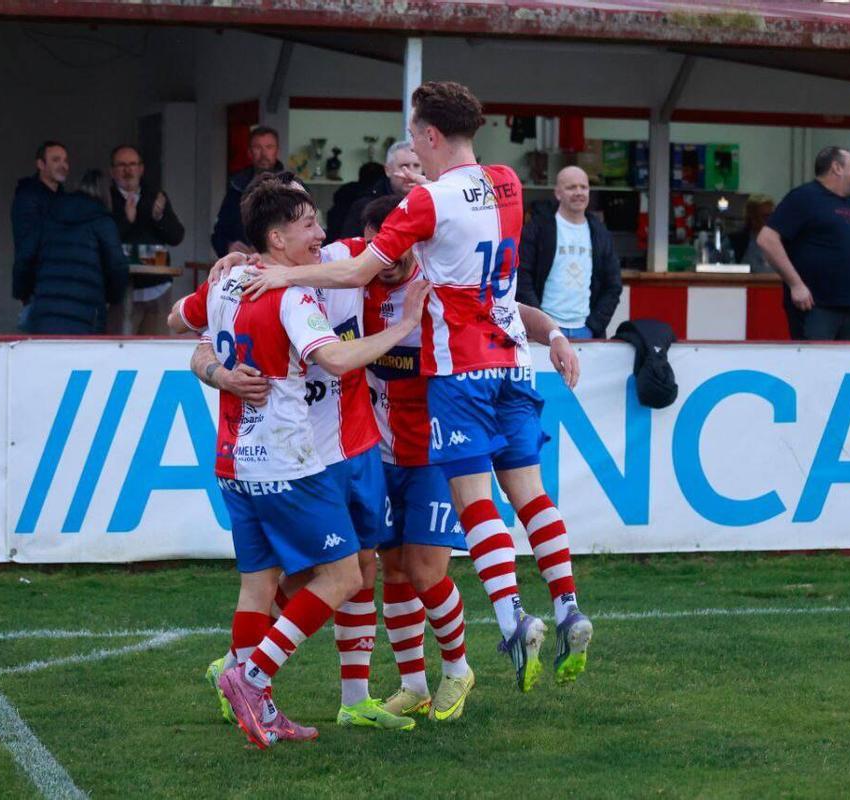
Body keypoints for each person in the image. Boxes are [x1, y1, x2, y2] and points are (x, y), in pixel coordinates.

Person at [243, 81, 592, 693]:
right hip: (513, 359)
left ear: (431, 136)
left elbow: (355, 268)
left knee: (475, 501)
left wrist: (282, 276)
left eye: (413, 139)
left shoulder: (429, 201)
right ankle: (567, 605)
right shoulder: (508, 182)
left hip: (460, 368)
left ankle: (511, 619)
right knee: (532, 496)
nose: (412, 155)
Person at [192, 179, 431, 749]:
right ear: (277, 237)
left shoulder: (239, 277)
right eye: (307, 223)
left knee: (278, 581)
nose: (321, 234)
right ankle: (248, 677)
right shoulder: (286, 291)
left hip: (258, 458)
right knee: (343, 576)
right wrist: (402, 327)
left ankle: (296, 700)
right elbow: (334, 356)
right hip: (294, 458)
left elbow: (188, 324)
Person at [756, 146, 850, 341]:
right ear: (837, 168)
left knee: (845, 367)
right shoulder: (805, 197)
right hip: (816, 307)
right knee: (816, 367)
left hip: (849, 307)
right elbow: (767, 239)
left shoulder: (846, 202)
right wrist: (796, 284)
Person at [13, 169, 128, 334]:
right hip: (87, 316)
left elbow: (25, 257)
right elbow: (117, 266)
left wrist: (23, 293)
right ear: (105, 193)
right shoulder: (102, 221)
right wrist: (112, 297)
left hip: (45, 312)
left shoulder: (50, 214)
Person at [516, 165, 621, 338]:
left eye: (583, 187)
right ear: (558, 193)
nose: (579, 192)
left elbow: (613, 285)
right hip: (546, 331)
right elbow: (523, 278)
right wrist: (540, 324)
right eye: (571, 187)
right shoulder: (537, 229)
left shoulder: (601, 233)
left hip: (586, 331)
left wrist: (594, 326)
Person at [107, 145, 186, 335]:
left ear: (141, 169)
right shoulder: (106, 198)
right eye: (122, 165)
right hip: (120, 288)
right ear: (112, 171)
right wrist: (127, 219)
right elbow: (104, 239)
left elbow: (176, 236)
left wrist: (160, 217)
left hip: (156, 287)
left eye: (133, 164)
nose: (128, 170)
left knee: (154, 350)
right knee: (119, 348)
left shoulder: (155, 196)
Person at [11, 141, 68, 319]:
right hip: (39, 285)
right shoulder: (27, 198)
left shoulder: (63, 198)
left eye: (65, 160)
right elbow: (27, 246)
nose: (63, 165)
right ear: (41, 164)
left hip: (60, 282)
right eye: (56, 160)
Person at [211, 126, 283, 256]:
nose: (263, 154)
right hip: (242, 264)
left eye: (269, 147)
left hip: (280, 266)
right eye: (257, 148)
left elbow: (305, 232)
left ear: (277, 151)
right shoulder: (237, 186)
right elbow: (218, 233)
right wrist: (229, 246)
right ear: (249, 152)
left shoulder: (291, 185)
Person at [338, 142, 423, 238]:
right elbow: (349, 247)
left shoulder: (431, 201)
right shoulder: (365, 206)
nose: (410, 172)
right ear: (387, 170)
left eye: (416, 166)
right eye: (404, 166)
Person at [729, 194, 775, 274]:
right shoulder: (735, 241)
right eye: (765, 216)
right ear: (752, 217)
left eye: (772, 216)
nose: (770, 220)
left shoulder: (782, 242)